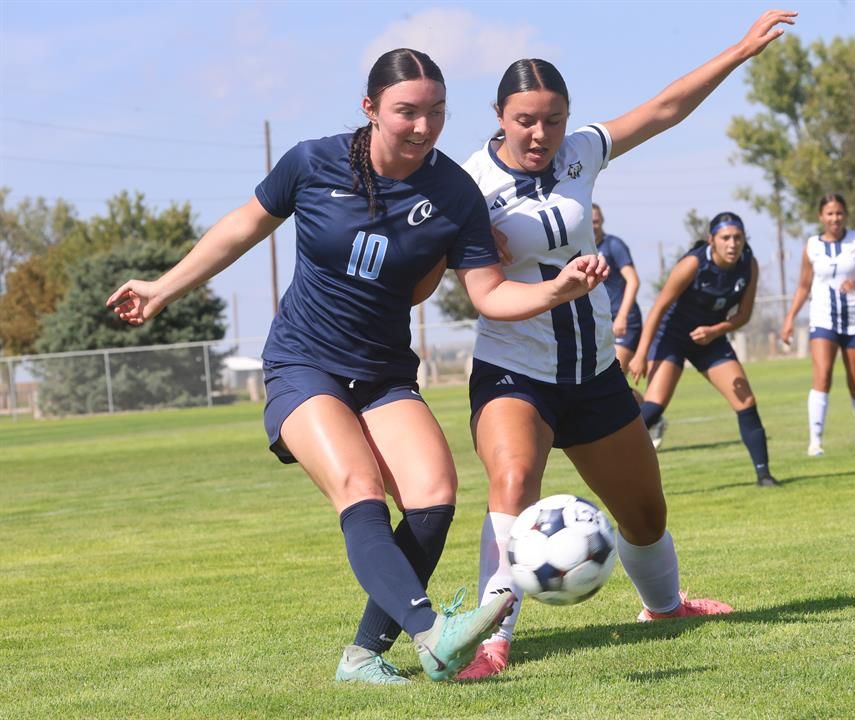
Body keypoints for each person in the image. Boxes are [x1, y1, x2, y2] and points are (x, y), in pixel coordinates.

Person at [106, 48, 608, 685]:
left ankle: (363, 656)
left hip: (382, 374)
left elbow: (488, 294)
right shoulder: (312, 162)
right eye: (406, 112)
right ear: (370, 110)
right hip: (303, 364)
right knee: (361, 491)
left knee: (433, 500)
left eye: (436, 112)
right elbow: (242, 227)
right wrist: (162, 287)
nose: (423, 127)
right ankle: (434, 633)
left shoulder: (454, 192)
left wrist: (554, 291)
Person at [452, 10, 798, 680]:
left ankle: (665, 610)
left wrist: (737, 52)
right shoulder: (469, 187)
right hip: (513, 370)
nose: (540, 133)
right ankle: (489, 641)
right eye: (525, 119)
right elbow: (461, 279)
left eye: (552, 119)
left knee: (644, 515)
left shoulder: (583, 150)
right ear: (499, 114)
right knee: (514, 482)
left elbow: (666, 107)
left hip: (594, 374)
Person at [627, 212, 779, 487]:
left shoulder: (749, 263)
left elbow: (743, 315)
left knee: (745, 401)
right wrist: (640, 355)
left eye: (738, 238)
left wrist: (715, 331)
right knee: (654, 406)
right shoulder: (693, 263)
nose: (733, 244)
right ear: (712, 240)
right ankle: (617, 468)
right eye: (726, 238)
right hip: (672, 336)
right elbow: (659, 308)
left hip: (710, 338)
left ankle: (764, 476)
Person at [780, 193, 855, 456]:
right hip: (823, 319)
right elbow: (803, 286)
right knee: (822, 377)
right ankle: (815, 441)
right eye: (830, 213)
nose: (835, 218)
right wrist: (789, 318)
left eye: (839, 213)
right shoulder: (812, 246)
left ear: (845, 215)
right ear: (820, 216)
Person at [592, 203, 668, 444]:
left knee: (610, 377)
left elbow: (633, 281)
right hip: (600, 323)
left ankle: (645, 422)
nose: (593, 225)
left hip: (626, 323)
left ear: (602, 221)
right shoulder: (580, 247)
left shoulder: (613, 245)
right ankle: (651, 414)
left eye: (597, 221)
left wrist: (623, 315)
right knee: (607, 382)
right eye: (589, 220)